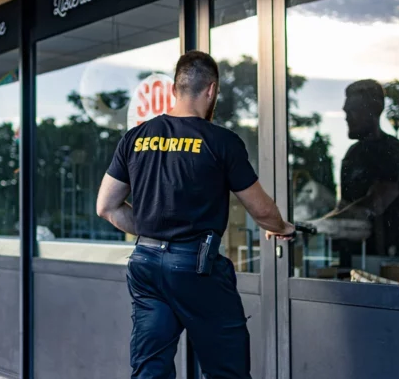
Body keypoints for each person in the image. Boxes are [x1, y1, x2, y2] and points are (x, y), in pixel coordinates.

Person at [96, 50, 295, 379]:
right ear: (212, 90)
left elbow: (106, 206)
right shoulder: (221, 141)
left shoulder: (136, 137)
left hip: (145, 264)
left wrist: (152, 234)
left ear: (174, 90)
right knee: (225, 369)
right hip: (196, 267)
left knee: (150, 368)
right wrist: (282, 226)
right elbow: (261, 211)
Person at [313, 79, 399, 265]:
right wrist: (315, 224)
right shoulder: (352, 154)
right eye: (346, 111)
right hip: (351, 259)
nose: (346, 116)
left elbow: (375, 204)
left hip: (386, 263)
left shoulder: (393, 152)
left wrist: (317, 226)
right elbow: (344, 205)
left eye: (352, 110)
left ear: (374, 111)